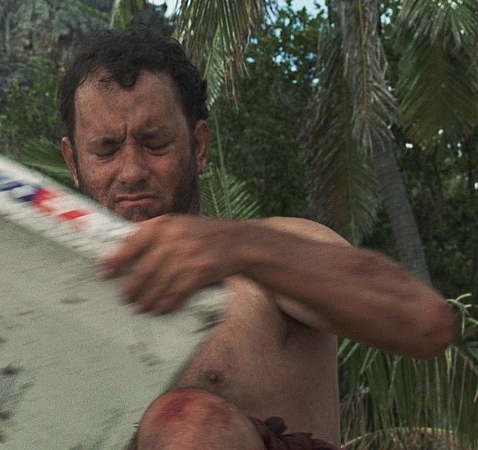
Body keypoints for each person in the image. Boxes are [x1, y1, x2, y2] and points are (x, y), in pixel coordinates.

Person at [57, 26, 456, 450]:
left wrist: (242, 248)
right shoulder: (44, 298)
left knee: (188, 421)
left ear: (199, 146)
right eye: (106, 150)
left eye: (155, 143)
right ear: (73, 162)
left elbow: (424, 322)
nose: (132, 171)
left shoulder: (271, 254)